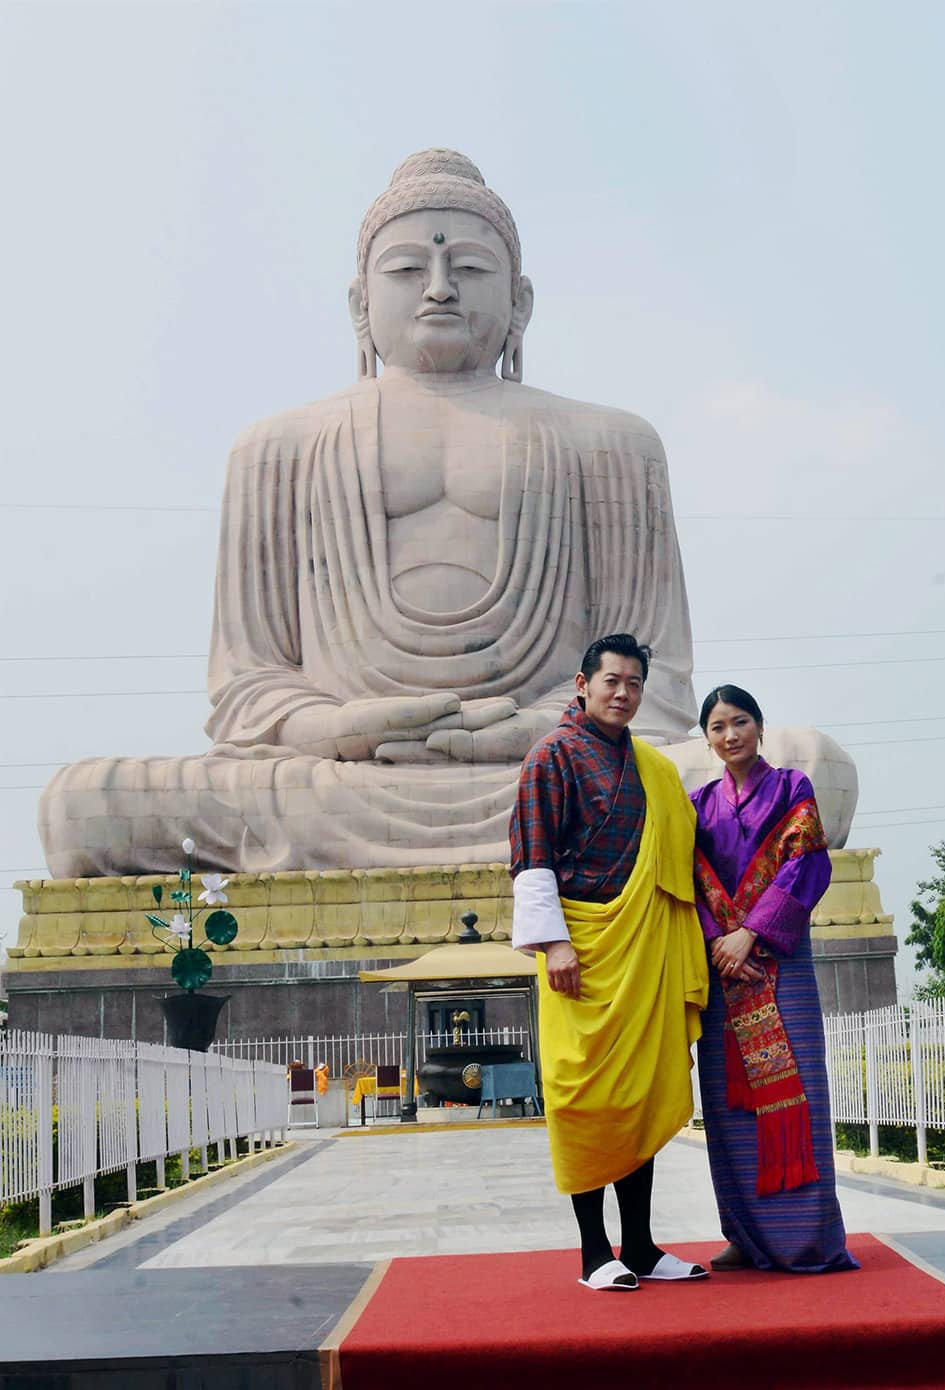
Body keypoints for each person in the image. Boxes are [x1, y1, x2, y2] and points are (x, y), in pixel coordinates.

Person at [40, 149, 698, 878]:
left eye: (471, 269)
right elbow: (249, 686)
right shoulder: (277, 447)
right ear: (360, 304)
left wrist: (529, 731)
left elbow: (655, 677)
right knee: (83, 807)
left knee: (796, 769)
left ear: (521, 302)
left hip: (548, 770)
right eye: (408, 270)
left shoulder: (611, 442)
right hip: (336, 777)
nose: (440, 290)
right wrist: (340, 727)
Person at [510, 633, 709, 1291]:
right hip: (583, 950)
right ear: (582, 683)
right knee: (586, 1098)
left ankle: (643, 1246)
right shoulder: (551, 758)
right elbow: (532, 854)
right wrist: (555, 942)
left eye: (633, 684)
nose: (622, 694)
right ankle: (596, 1252)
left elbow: (682, 848)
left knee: (640, 1094)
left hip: (644, 946)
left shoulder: (653, 764)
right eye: (611, 681)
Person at [691, 685, 857, 1273]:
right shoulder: (697, 804)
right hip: (722, 972)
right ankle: (746, 1234)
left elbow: (806, 863)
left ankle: (805, 1237)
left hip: (778, 965)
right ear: (706, 737)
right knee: (729, 1108)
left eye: (739, 722)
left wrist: (750, 935)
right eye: (717, 727)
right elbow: (690, 882)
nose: (729, 735)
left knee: (795, 1099)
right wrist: (718, 941)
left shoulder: (793, 789)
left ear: (760, 727)